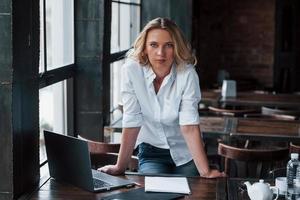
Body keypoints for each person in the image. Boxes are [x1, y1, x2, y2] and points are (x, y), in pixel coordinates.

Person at [99, 17, 225, 178]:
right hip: (151, 152)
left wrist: (205, 172)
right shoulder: (131, 70)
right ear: (144, 47)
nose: (160, 53)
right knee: (155, 195)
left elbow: (189, 126)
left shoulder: (187, 74)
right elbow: (132, 120)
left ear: (177, 47)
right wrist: (119, 167)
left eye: (169, 45)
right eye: (154, 45)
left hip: (186, 152)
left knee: (191, 194)